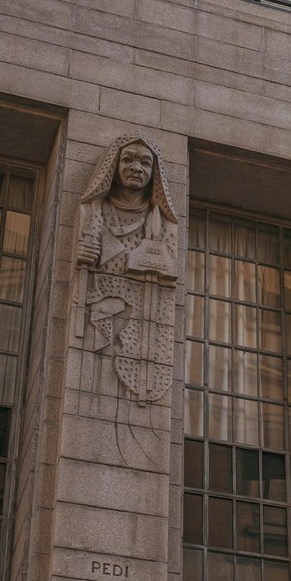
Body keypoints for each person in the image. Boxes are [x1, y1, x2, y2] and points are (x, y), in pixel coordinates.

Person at [75, 135, 180, 405]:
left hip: (139, 310)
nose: (136, 168)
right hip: (101, 301)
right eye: (128, 160)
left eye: (145, 162)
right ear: (114, 166)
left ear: (154, 173)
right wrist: (84, 253)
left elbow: (166, 269)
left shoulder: (161, 223)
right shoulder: (94, 212)